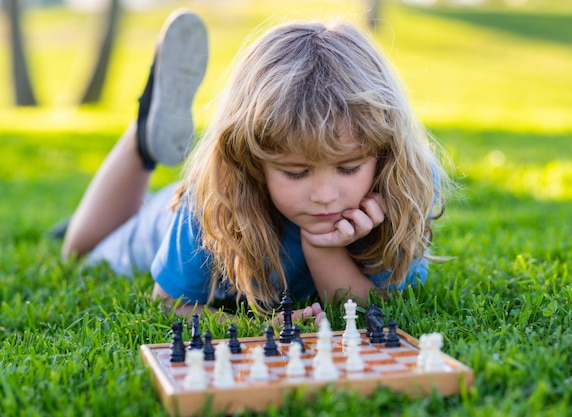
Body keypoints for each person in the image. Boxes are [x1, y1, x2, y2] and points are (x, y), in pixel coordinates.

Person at [61, 9, 448, 322]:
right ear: (248, 158)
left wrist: (323, 248)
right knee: (78, 251)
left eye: (348, 168)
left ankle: (149, 134)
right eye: (296, 172)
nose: (326, 196)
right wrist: (255, 327)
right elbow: (168, 302)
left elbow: (376, 309)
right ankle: (144, 136)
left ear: (382, 153)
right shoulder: (214, 199)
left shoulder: (403, 188)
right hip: (162, 223)